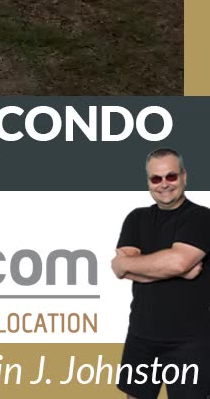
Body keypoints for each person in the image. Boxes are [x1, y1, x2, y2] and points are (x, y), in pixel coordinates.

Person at [112, 148, 210, 399]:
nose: (164, 184)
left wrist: (137, 265)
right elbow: (119, 267)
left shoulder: (202, 217)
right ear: (148, 182)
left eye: (171, 176)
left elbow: (177, 262)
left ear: (184, 177)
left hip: (190, 342)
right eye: (156, 179)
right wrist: (180, 272)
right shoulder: (136, 218)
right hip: (141, 336)